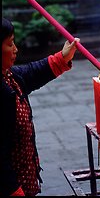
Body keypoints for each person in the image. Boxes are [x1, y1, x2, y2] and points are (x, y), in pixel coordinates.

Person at [1, 17, 80, 196]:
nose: (15, 49)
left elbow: (32, 72)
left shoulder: (9, 76)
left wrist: (63, 57)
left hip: (23, 180)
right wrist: (13, 190)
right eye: (10, 44)